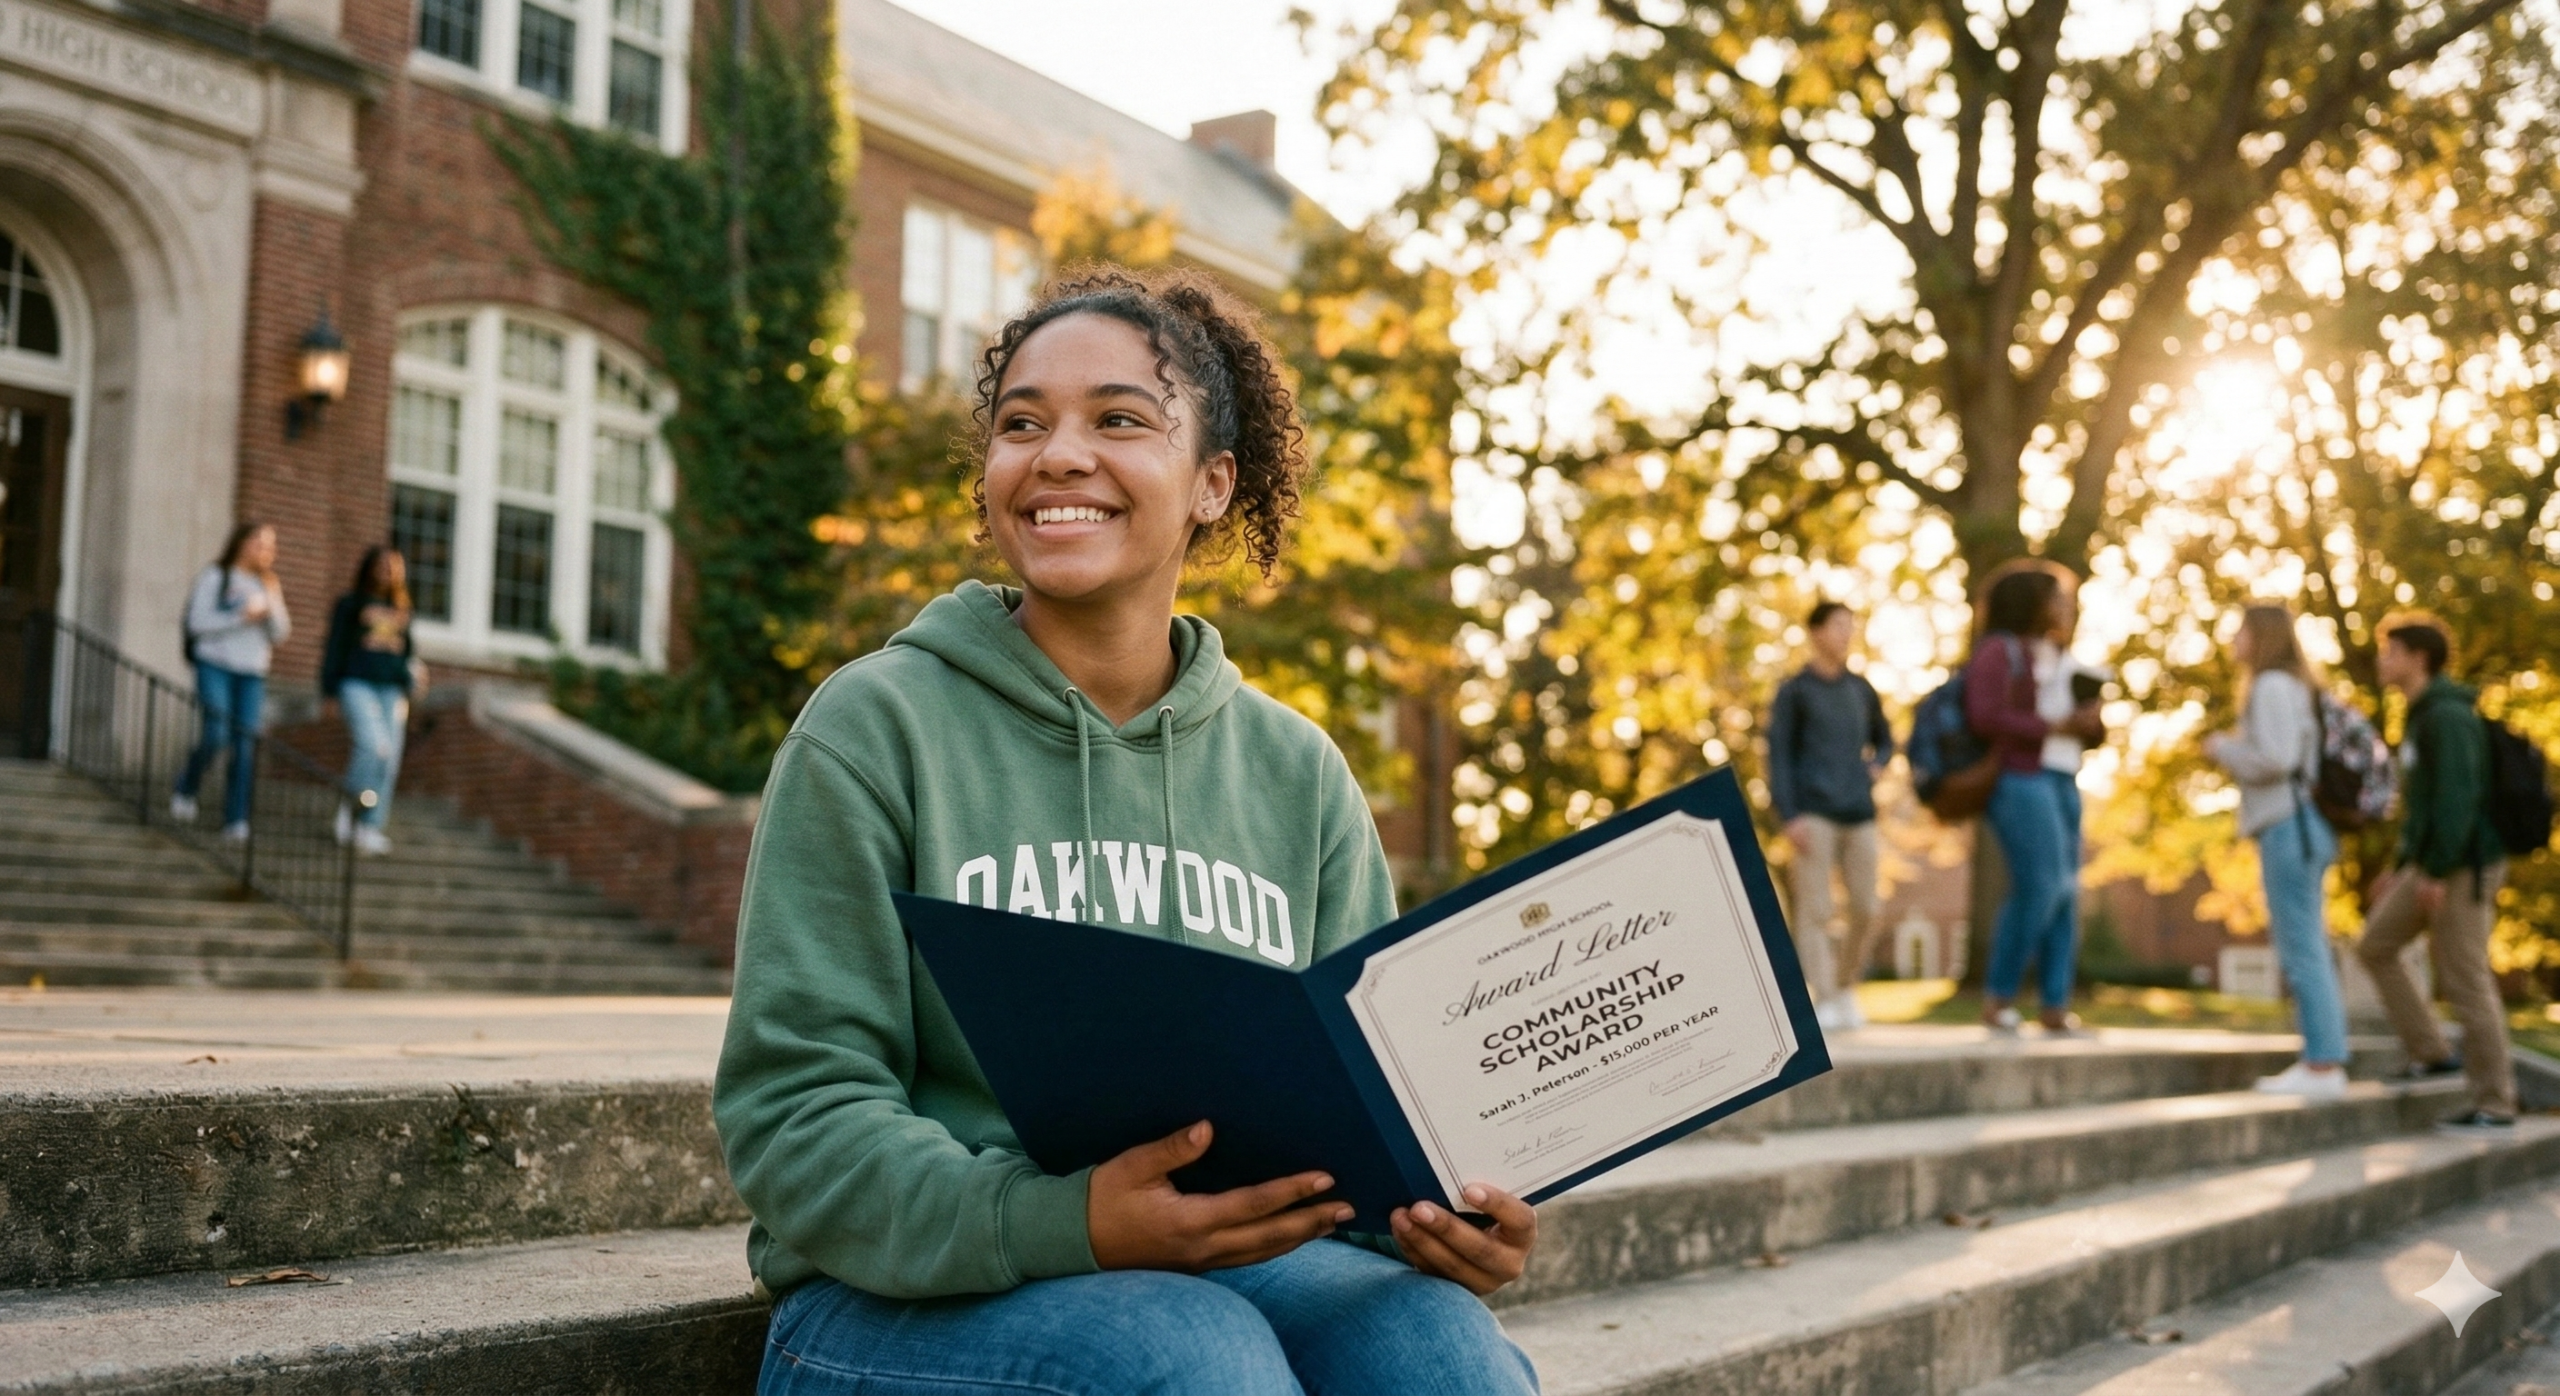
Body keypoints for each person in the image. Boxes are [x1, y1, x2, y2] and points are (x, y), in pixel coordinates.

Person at [714, 269, 1540, 1396]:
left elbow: (1363, 1111)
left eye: (1116, 418)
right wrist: (1066, 1219)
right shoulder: (877, 726)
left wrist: (1436, 1220)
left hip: (1229, 1269)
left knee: (1439, 1347)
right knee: (1193, 1360)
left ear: (1212, 483)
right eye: (1020, 423)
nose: (1056, 454)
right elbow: (796, 1113)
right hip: (895, 1300)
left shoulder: (1296, 776)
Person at [2355, 612, 2515, 1132]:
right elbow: (2421, 807)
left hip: (2463, 864)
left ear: (2418, 658)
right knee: (2375, 945)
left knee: (2465, 978)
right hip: (2431, 863)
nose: (2382, 661)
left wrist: (2435, 871)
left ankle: (2495, 1103)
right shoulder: (2420, 714)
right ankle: (2430, 1050)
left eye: (2391, 651)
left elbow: (2457, 801)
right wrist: (2401, 866)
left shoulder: (2448, 716)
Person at [2205, 605, 2349, 1098]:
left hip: (2289, 826)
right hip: (2305, 824)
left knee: (2300, 946)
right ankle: (2324, 1060)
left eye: (2239, 629)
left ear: (2260, 636)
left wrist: (2223, 749)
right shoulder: (2295, 686)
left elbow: (2277, 758)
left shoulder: (2269, 686)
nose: (2233, 639)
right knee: (2308, 942)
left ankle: (2323, 1065)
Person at [1965, 561, 2105, 1036]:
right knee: (2042, 886)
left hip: (2063, 777)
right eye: (2058, 597)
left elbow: (2081, 727)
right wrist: (2053, 726)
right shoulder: (1999, 651)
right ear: (2031, 601)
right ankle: (1999, 996)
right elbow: (1984, 716)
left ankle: (2054, 1004)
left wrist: (2090, 721)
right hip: (2020, 777)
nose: (2067, 606)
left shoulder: (2059, 655)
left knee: (2066, 891)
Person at [1768, 600, 1895, 1031]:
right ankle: (1822, 997)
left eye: (1851, 626)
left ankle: (1844, 988)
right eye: (1839, 625)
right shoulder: (1795, 692)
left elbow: (1886, 738)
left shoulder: (1861, 689)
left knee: (1867, 906)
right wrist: (1789, 815)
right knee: (1816, 909)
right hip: (1812, 813)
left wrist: (1878, 763)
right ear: (1816, 632)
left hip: (1859, 811)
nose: (1846, 634)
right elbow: (1779, 756)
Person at [172, 522, 289, 840]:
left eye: (271, 546)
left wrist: (269, 611)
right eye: (260, 543)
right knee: (217, 734)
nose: (266, 551)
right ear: (241, 543)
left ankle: (236, 818)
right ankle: (187, 785)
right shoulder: (216, 576)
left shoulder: (269, 584)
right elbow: (196, 623)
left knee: (245, 744)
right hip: (216, 665)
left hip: (252, 673)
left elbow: (281, 633)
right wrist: (241, 618)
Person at [320, 546, 418, 857]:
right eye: (381, 565)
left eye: (394, 567)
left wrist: (409, 681)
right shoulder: (350, 604)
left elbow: (406, 654)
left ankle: (370, 825)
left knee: (388, 758)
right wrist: (329, 691)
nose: (387, 572)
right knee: (373, 745)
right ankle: (350, 812)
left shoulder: (401, 609)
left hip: (391, 690)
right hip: (356, 683)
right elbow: (334, 646)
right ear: (369, 568)